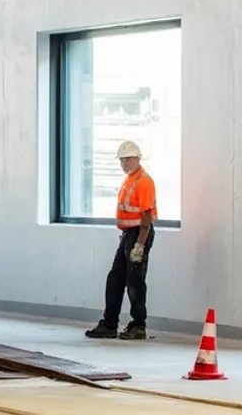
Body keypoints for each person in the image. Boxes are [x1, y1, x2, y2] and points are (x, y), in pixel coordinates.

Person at [85, 140, 156, 340]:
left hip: (138, 234)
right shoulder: (129, 180)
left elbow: (146, 218)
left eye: (128, 159)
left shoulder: (143, 181)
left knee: (135, 282)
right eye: (122, 160)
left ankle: (138, 325)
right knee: (115, 279)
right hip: (128, 235)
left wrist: (140, 245)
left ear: (138, 158)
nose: (125, 163)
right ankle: (109, 323)